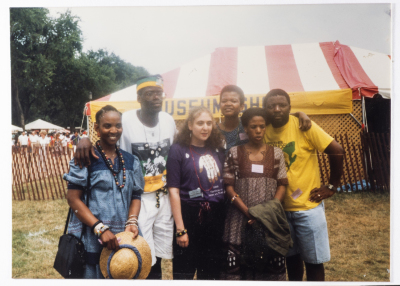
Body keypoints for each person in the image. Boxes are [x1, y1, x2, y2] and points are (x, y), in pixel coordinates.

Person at [74, 75, 176, 279]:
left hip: (160, 197)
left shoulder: (168, 120)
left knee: (157, 253)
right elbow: (103, 128)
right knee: (135, 252)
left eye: (159, 93)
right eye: (149, 94)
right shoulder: (126, 119)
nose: (156, 98)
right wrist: (83, 138)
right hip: (137, 200)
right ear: (139, 97)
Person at [262, 89, 344, 281]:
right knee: (292, 260)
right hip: (279, 209)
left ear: (290, 107)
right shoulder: (262, 128)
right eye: (271, 106)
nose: (276, 109)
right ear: (265, 108)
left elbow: (337, 150)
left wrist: (332, 186)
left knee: (314, 262)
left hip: (307, 208)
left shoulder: (302, 126)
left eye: (282, 105)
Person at [63, 105, 144, 279]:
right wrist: (100, 229)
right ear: (97, 129)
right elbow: (73, 199)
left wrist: (132, 221)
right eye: (107, 126)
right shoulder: (85, 158)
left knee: (124, 272)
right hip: (94, 238)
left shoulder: (131, 161)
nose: (114, 130)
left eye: (118, 125)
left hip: (125, 236)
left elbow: (136, 194)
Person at [221, 107, 289, 280]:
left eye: (262, 126)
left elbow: (282, 184)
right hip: (239, 219)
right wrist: (248, 212)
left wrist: (266, 212)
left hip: (269, 220)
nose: (258, 131)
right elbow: (229, 187)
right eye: (253, 127)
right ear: (245, 128)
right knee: (236, 265)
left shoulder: (277, 154)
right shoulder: (234, 153)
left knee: (270, 265)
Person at [166, 106, 226, 280]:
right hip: (189, 215)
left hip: (215, 217)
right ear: (190, 125)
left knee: (210, 272)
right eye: (200, 123)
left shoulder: (217, 150)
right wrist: (180, 229)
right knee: (184, 270)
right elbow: (174, 191)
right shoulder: (178, 150)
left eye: (209, 123)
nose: (205, 127)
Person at [217, 85, 312, 155]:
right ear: (220, 104)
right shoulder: (214, 130)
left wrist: (299, 114)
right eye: (224, 101)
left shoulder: (249, 122)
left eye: (233, 101)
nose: (228, 104)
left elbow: (277, 115)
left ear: (242, 106)